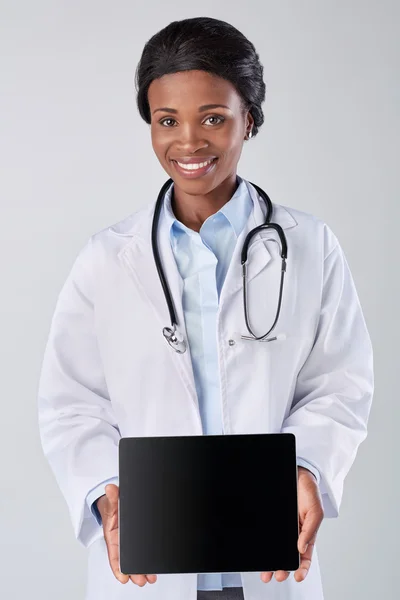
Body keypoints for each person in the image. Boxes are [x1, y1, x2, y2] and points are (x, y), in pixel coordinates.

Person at [37, 16, 374, 600]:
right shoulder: (106, 260)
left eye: (213, 118)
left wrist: (309, 470)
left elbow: (340, 385)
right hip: (149, 564)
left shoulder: (310, 247)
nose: (188, 142)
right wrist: (105, 490)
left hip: (271, 559)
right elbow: (71, 405)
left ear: (250, 118)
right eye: (167, 120)